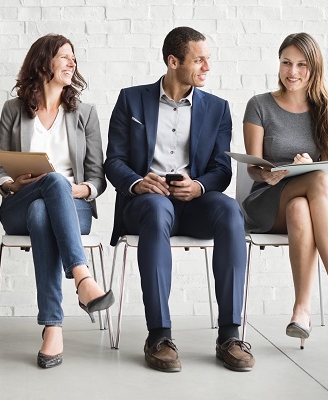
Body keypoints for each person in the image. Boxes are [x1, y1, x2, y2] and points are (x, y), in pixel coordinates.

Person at [104, 27, 253, 372]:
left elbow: (221, 168)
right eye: (199, 59)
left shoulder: (218, 108)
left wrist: (199, 186)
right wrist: (138, 183)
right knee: (157, 210)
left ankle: (230, 335)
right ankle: (159, 335)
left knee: (230, 210)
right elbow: (113, 160)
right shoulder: (132, 99)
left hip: (195, 203)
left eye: (207, 60)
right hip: (147, 203)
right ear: (173, 62)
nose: (207, 67)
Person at [242, 32, 328, 349]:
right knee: (315, 182)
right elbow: (252, 167)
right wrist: (268, 174)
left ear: (314, 68)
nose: (292, 71)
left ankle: (301, 312)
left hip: (313, 205)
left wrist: (311, 163)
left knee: (302, 205)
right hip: (268, 201)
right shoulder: (260, 105)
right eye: (286, 62)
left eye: (301, 64)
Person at [0, 34, 112, 369]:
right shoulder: (13, 110)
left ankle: (53, 326)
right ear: (42, 61)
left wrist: (78, 189)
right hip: (20, 199)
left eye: (73, 57)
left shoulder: (85, 114)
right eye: (63, 56)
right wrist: (11, 182)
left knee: (43, 209)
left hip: (72, 207)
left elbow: (96, 177)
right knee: (43, 194)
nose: (71, 62)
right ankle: (82, 279)